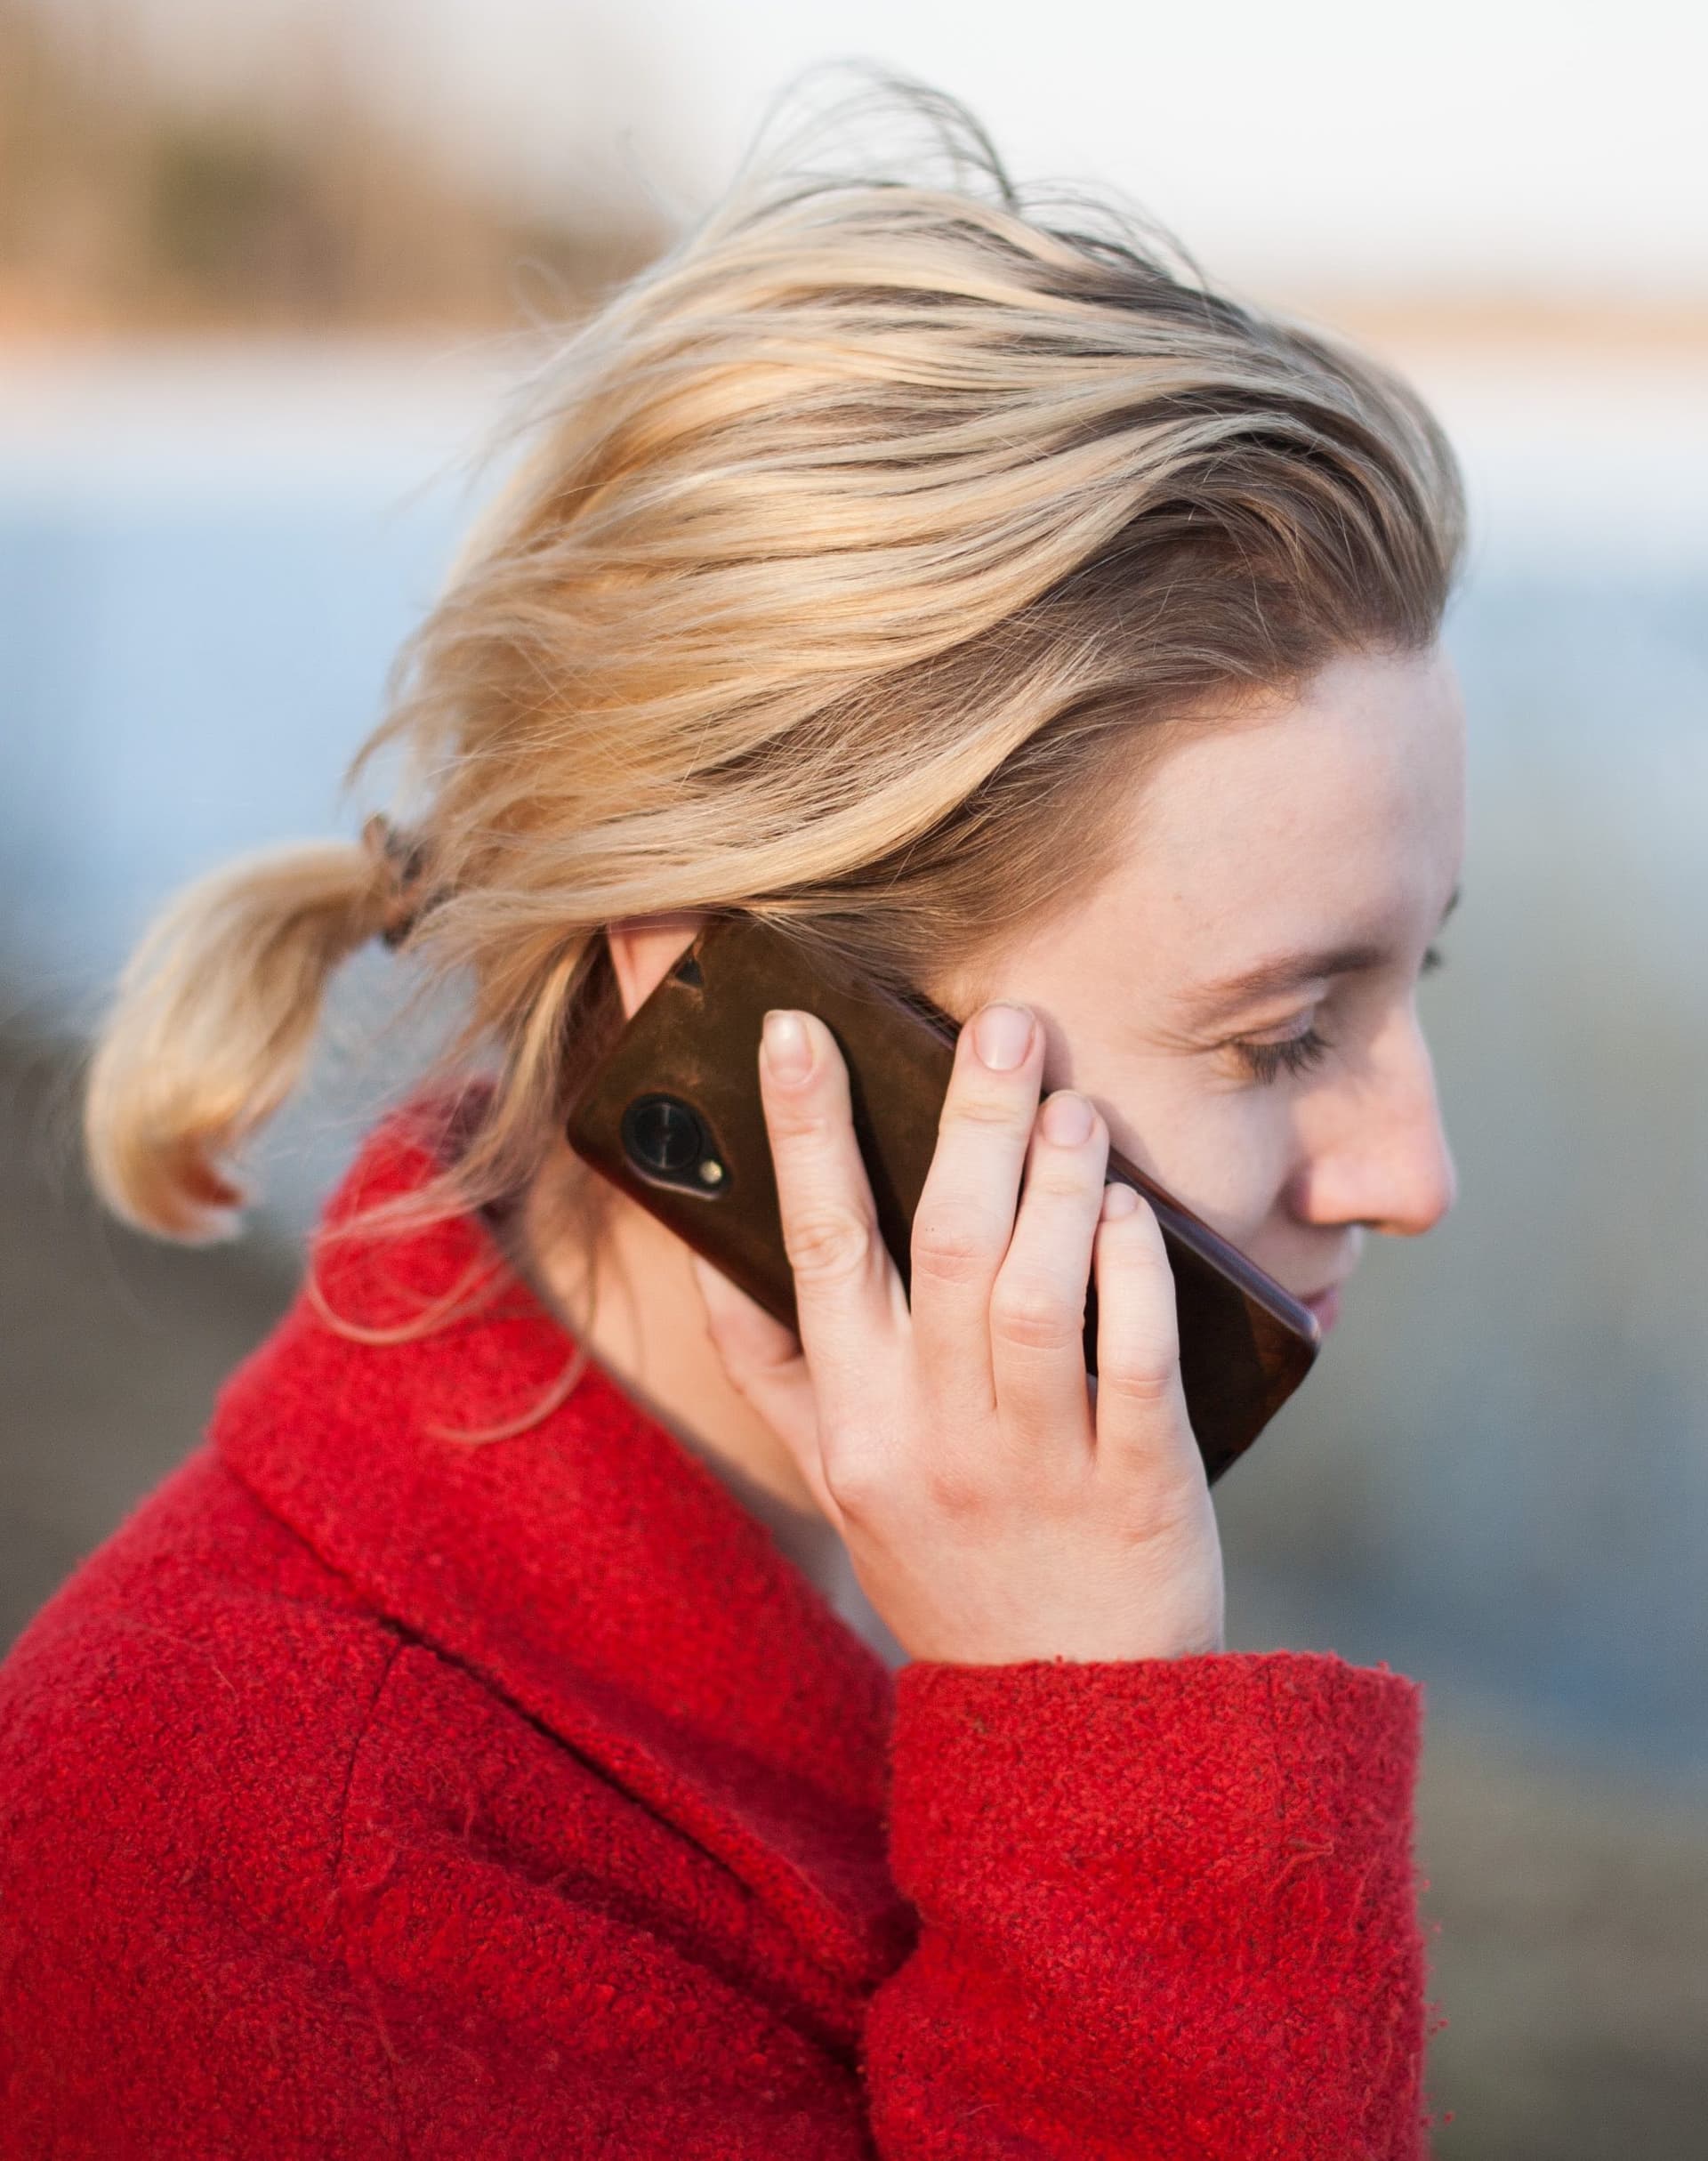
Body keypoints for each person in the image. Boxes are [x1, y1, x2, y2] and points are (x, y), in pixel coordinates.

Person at [0, 82, 1467, 2158]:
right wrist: (1110, 1766)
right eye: (1282, 1031)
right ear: (745, 1016)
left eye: (1424, 980)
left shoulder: (856, 1601)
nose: (1417, 1172)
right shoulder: (251, 1876)